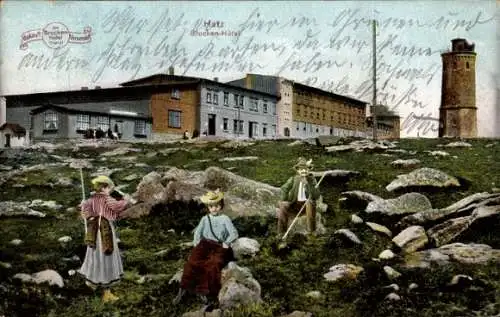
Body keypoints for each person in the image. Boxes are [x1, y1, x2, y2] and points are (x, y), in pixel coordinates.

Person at [173, 190, 238, 308]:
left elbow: (233, 233)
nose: (214, 208)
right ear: (208, 207)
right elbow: (197, 234)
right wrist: (197, 246)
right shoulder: (205, 219)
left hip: (219, 245)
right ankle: (183, 289)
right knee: (192, 262)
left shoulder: (225, 219)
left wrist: (226, 242)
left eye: (217, 206)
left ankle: (203, 291)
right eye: (211, 206)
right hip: (205, 245)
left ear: (221, 206)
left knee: (212, 264)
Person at [78, 175, 133, 303]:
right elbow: (118, 206)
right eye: (109, 188)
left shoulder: (91, 199)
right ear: (104, 187)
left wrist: (83, 208)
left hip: (94, 231)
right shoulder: (106, 199)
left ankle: (92, 281)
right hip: (105, 230)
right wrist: (127, 200)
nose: (109, 191)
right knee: (106, 255)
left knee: (94, 254)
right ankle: (106, 292)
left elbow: (85, 212)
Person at [277, 157, 321, 236]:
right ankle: (281, 232)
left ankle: (311, 232)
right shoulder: (293, 179)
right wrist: (284, 199)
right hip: (295, 205)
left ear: (308, 170)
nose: (304, 171)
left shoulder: (312, 180)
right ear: (298, 171)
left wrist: (307, 184)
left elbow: (316, 195)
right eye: (301, 169)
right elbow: (284, 188)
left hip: (307, 207)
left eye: (306, 169)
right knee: (283, 205)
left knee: (310, 202)